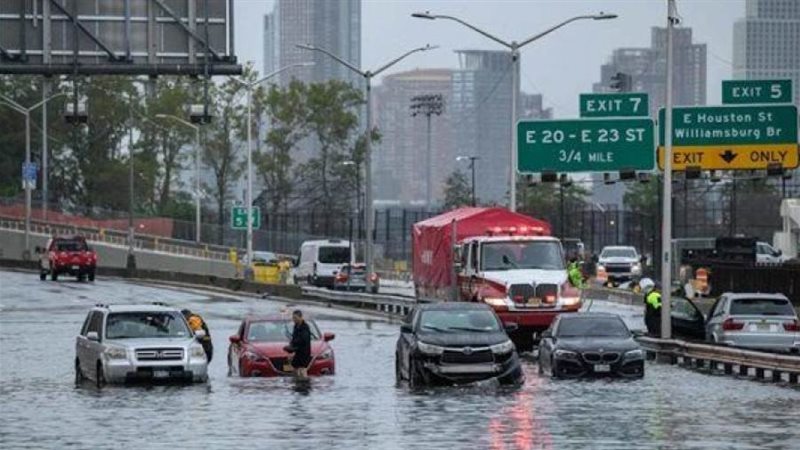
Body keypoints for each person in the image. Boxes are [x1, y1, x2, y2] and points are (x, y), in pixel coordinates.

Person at [284, 310, 312, 378]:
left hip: (304, 353)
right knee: (295, 368)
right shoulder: (296, 326)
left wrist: (294, 345)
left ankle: (304, 383)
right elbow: (294, 338)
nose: (294, 320)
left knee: (302, 369)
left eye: (295, 318)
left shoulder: (305, 327)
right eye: (293, 318)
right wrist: (291, 347)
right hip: (296, 352)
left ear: (301, 317)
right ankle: (296, 382)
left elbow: (303, 340)